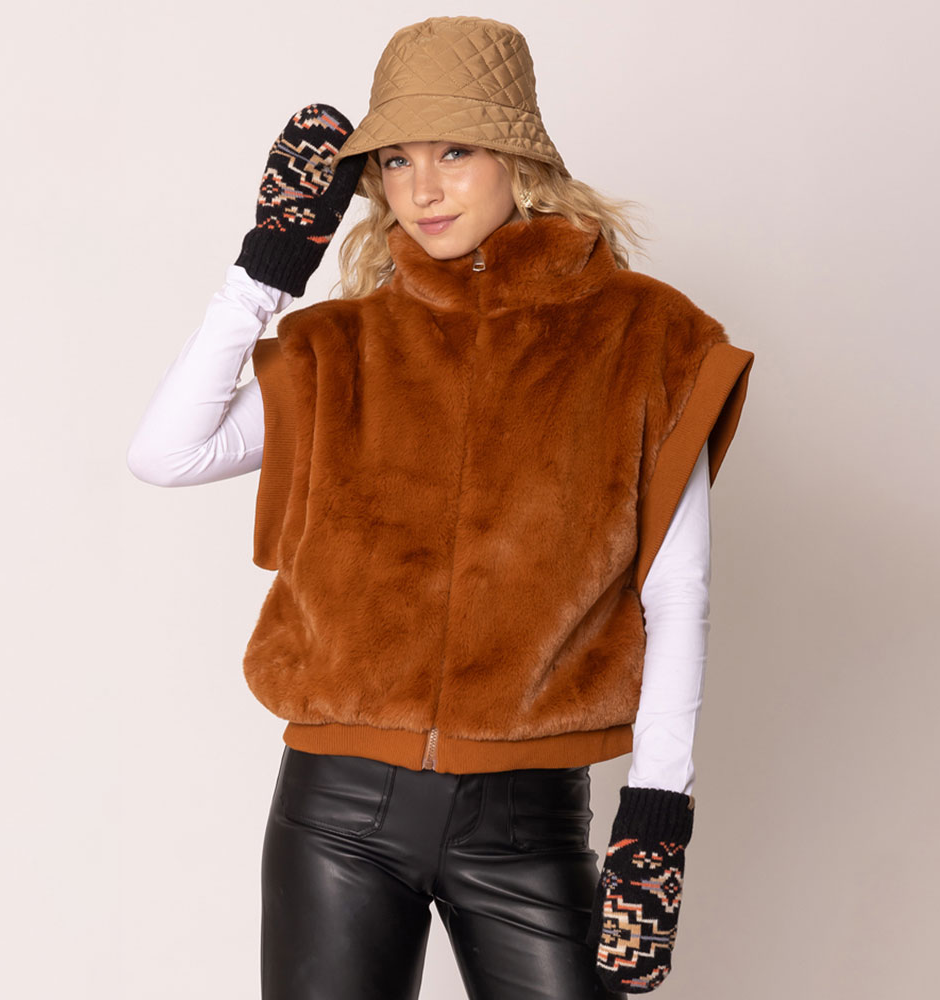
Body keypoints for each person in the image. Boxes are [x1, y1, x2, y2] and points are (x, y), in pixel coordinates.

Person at [127, 16, 753, 1000]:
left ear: (520, 161)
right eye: (396, 160)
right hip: (333, 816)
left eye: (454, 152)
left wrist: (654, 823)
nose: (421, 189)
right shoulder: (345, 346)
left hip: (526, 823)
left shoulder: (647, 338)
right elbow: (167, 454)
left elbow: (675, 591)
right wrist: (265, 270)